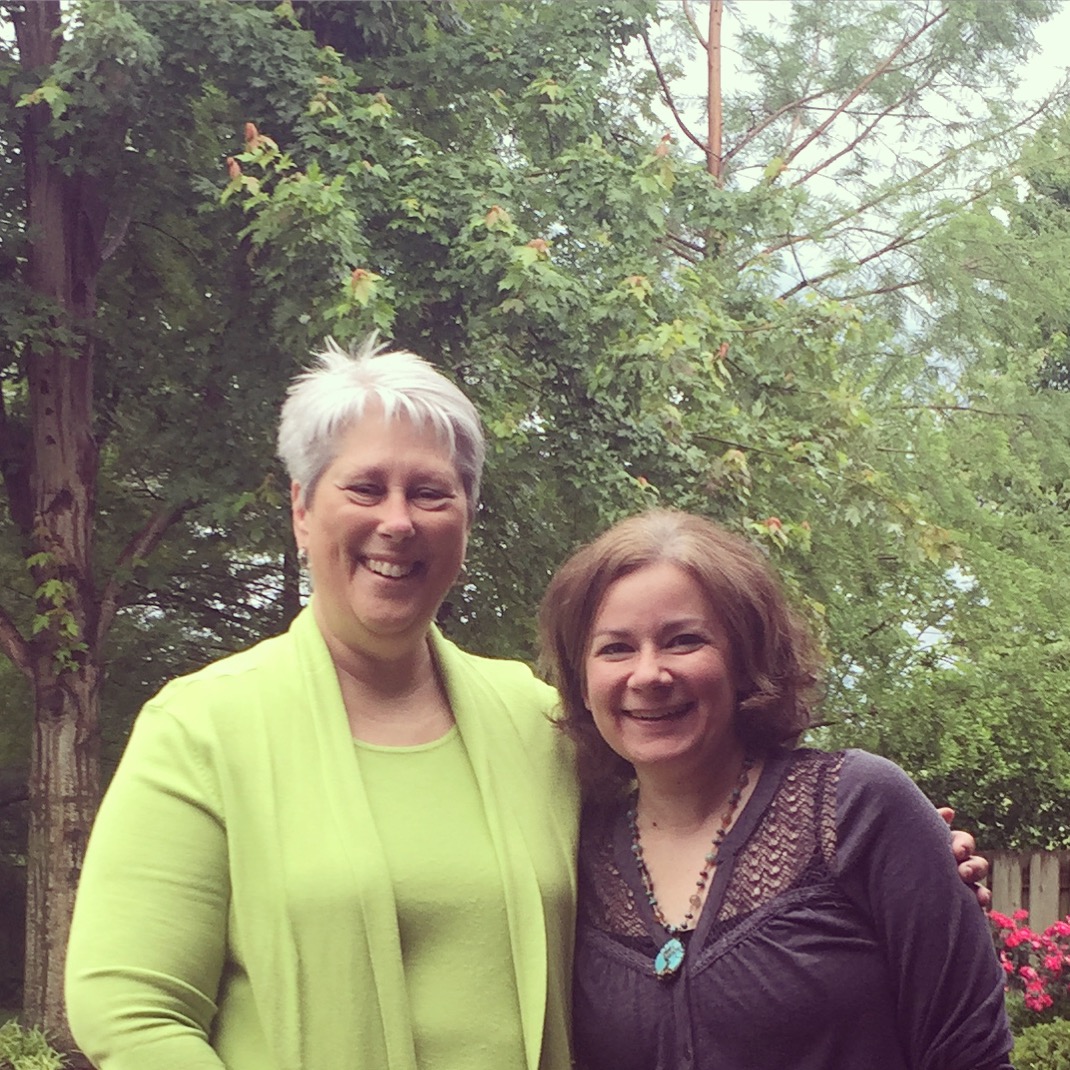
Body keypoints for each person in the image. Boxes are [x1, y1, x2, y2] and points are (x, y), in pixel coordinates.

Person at [65, 337, 992, 1070]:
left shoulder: (534, 718)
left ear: (465, 521)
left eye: (432, 493)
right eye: (365, 488)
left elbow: (698, 812)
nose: (398, 521)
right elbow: (129, 1007)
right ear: (303, 510)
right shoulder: (202, 726)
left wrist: (906, 864)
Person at [538, 508, 1012, 1070]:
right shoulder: (571, 849)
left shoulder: (856, 809)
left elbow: (970, 1053)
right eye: (615, 648)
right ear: (581, 681)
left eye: (683, 641)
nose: (648, 675)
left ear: (746, 658)